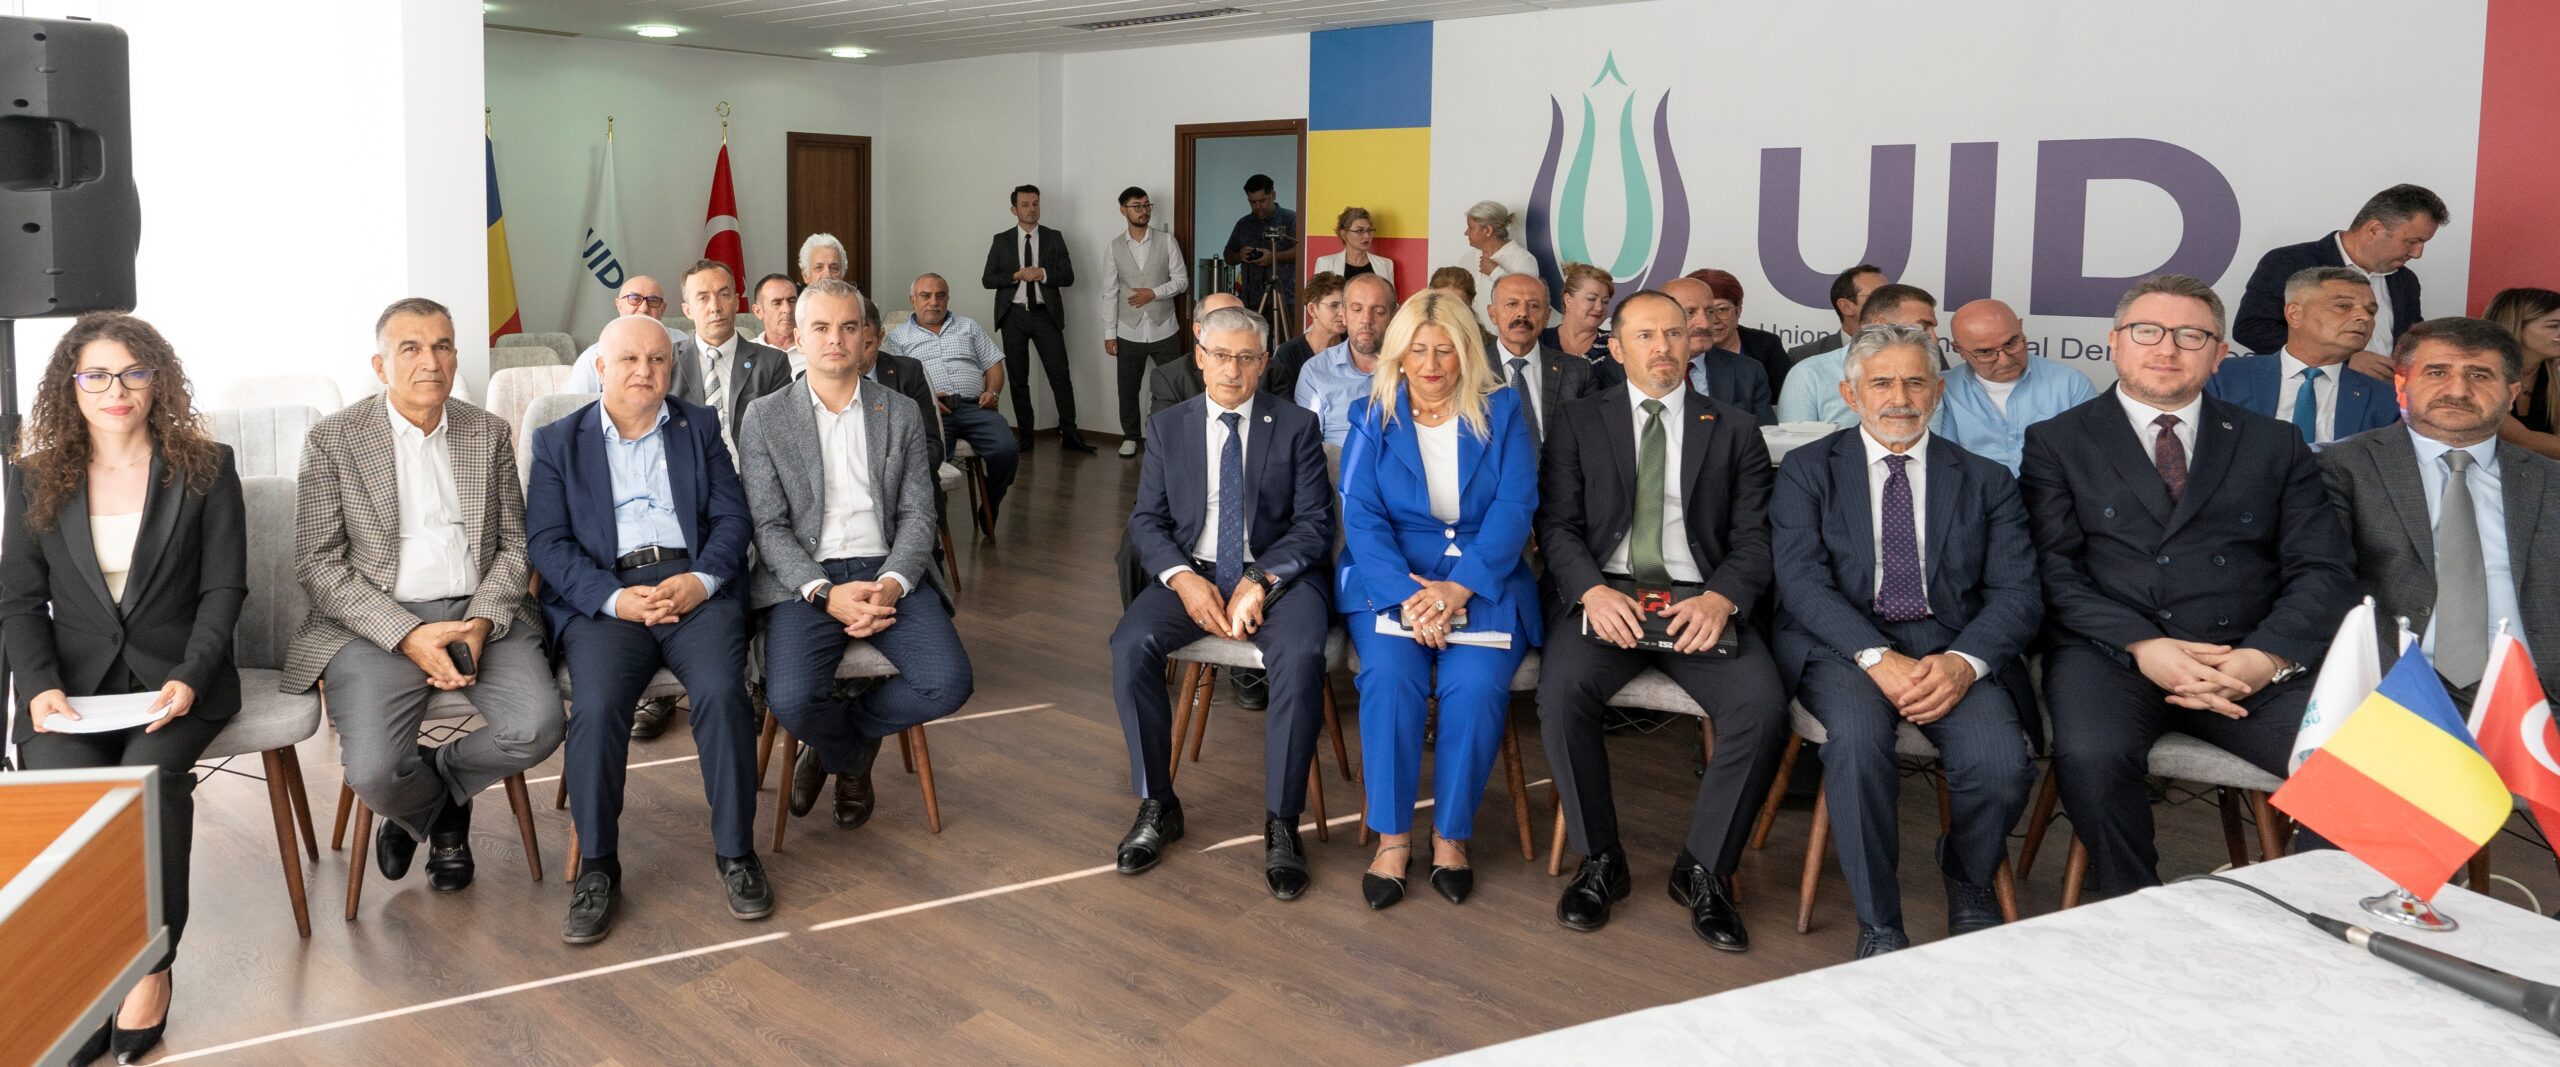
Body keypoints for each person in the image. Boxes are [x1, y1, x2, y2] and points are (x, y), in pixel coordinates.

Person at [2019, 274, 2355, 900]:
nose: (2167, 349)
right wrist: (2144, 646)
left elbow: (2323, 568)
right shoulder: (2058, 441)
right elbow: (2052, 571)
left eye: (2191, 336)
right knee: (2091, 759)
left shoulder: (2273, 442)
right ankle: (2133, 906)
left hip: (2245, 657)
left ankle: (2309, 911)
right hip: (2113, 655)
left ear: (2220, 353)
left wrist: (2266, 657)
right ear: (2115, 342)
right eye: (2147, 331)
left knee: (2357, 763)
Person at [2, 312, 243, 1063]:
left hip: (179, 679)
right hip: (71, 690)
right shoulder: (33, 477)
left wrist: (190, 675)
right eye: (97, 375)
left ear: (158, 380)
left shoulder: (205, 467)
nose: (117, 389)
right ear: (70, 386)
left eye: (134, 372)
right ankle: (90, 970)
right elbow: (18, 601)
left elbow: (223, 590)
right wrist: (39, 686)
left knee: (150, 779)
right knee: (64, 790)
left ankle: (149, 966)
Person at [1771, 324, 2040, 957]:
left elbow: (2017, 591)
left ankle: (1968, 874)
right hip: (1842, 643)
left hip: (1950, 643)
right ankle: (1880, 923)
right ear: (1851, 393)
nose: (1900, 398)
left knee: (2001, 766)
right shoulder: (1809, 469)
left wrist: (1965, 662)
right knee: (1858, 749)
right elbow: (1801, 582)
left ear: (1938, 391)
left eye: (1916, 382)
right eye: (1882, 383)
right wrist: (1874, 655)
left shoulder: (1986, 479)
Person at [288, 294, 565, 900]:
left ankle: (439, 779)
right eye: (410, 348)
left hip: (478, 613)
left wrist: (482, 622)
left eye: (442, 346)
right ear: (380, 365)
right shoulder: (334, 440)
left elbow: (515, 546)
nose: (430, 361)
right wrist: (407, 635)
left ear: (456, 356)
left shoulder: (487, 432)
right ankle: (442, 815)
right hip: (375, 624)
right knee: (375, 773)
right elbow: (318, 563)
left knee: (540, 728)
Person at [1534, 289, 1787, 949]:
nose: (1662, 347)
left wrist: (1721, 598)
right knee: (1561, 693)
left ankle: (1704, 868)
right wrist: (1591, 591)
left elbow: (1755, 538)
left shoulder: (1733, 427)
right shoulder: (1578, 421)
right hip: (1609, 594)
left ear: (1691, 343)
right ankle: (1600, 859)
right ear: (1616, 349)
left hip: (1697, 599)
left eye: (1674, 333)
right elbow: (1557, 525)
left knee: (1761, 707)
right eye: (1644, 336)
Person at [528, 315, 767, 945]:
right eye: (630, 359)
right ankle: (598, 867)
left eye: (658, 360)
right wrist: (612, 599)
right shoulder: (558, 441)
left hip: (693, 589)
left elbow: (733, 518)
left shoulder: (699, 426)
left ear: (672, 367)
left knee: (722, 692)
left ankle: (737, 853)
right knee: (599, 705)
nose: (645, 371)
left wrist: (703, 581)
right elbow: (547, 543)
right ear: (600, 368)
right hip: (608, 597)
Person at [1108, 306, 1336, 897]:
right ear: (1200, 357)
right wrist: (1183, 578)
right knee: (1130, 645)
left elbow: (1315, 524)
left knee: (1301, 656)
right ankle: (1158, 803)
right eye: (1221, 356)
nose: (1232, 370)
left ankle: (1282, 821)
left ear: (1264, 363)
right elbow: (1147, 520)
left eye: (1246, 358)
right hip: (1197, 572)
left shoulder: (1297, 424)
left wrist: (1260, 579)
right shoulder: (1170, 426)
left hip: (1279, 577)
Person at [742, 280, 973, 830]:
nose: (836, 339)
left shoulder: (900, 412)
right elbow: (768, 527)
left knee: (948, 683)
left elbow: (918, 515)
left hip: (887, 570)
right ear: (798, 337)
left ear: (866, 334)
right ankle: (850, 755)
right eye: (821, 328)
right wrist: (824, 593)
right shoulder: (765, 417)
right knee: (792, 700)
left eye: (849, 327)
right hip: (806, 580)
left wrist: (891, 583)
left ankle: (839, 739)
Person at [1337, 289, 1541, 910]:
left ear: (1466, 352)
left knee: (1475, 688)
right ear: (1399, 354)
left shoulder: (1503, 410)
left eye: (1445, 350)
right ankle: (1393, 837)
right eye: (1418, 350)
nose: (1430, 364)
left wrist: (1458, 588)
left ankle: (1451, 835)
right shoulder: (1370, 414)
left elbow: (1515, 507)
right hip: (1392, 583)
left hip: (1483, 579)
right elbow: (1361, 516)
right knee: (1390, 679)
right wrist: (1409, 596)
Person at [2321, 317, 2560, 705]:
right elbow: (2319, 584)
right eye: (2437, 372)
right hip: (2398, 690)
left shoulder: (2551, 482)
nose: (2458, 390)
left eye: (2480, 375)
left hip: (2538, 694)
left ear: (2511, 394)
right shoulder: (2339, 467)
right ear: (2401, 385)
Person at [2233, 184, 2448, 357]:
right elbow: (2252, 329)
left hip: (2384, 395)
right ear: (2374, 230)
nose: (2417, 253)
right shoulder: (2290, 262)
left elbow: (2410, 342)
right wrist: (2344, 361)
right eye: (2412, 241)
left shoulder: (2405, 280)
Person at [2205, 267, 2400, 444]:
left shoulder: (2385, 400)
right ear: (2294, 314)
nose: (2364, 317)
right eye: (2343, 306)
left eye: (2371, 311)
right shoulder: (2223, 378)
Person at [885, 273, 1017, 520]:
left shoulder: (969, 327)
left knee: (1007, 450)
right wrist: (927, 398)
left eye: (940, 296)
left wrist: (993, 391)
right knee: (931, 464)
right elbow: (895, 381)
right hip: (931, 412)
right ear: (913, 300)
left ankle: (991, 500)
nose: (933, 302)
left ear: (947, 299)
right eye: (926, 296)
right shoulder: (897, 337)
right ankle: (934, 525)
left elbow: (994, 364)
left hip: (976, 407)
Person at [981, 183, 1092, 453]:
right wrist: (1015, 276)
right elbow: (987, 279)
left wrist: (1042, 273)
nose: (1032, 209)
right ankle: (1026, 436)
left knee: (1060, 375)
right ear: (1014, 209)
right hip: (1013, 316)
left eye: (1035, 203)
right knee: (1018, 379)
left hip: (1045, 315)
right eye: (1025, 205)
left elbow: (1068, 276)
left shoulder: (1054, 237)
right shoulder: (1001, 240)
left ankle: (1070, 434)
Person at [1934, 298, 2097, 473]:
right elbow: (1946, 463)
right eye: (1986, 352)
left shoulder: (2071, 383)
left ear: (2021, 328)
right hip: (1977, 489)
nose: (2005, 361)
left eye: (2011, 343)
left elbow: (2089, 460)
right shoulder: (1944, 389)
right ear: (1960, 350)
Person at [671, 259, 793, 456]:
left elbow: (782, 435)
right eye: (703, 298)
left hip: (749, 469)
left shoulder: (771, 362)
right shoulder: (667, 361)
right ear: (687, 310)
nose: (715, 307)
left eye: (723, 295)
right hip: (689, 468)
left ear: (736, 302)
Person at [1102, 186, 1190, 457]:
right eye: (1137, 206)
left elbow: (1182, 281)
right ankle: (1130, 436)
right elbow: (1110, 292)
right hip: (1128, 329)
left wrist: (1154, 292)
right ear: (1123, 210)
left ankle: (1168, 436)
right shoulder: (1114, 247)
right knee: (1128, 388)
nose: (1143, 211)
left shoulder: (1167, 241)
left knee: (1172, 383)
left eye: (1146, 205)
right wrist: (1109, 332)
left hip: (1165, 327)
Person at [1781, 283, 1940, 429]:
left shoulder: (1928, 377)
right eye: (1922, 327)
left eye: (1914, 383)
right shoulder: (1809, 374)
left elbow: (1931, 443)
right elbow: (1794, 446)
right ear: (1879, 326)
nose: (1934, 338)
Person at [1486, 272, 1596, 446]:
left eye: (1533, 306)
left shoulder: (1578, 372)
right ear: (1493, 313)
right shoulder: (1469, 368)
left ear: (1546, 316)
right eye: (1512, 304)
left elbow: (1591, 440)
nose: (1522, 313)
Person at [1295, 273, 1398, 447]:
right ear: (1343, 313)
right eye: (1356, 309)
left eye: (1379, 311)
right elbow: (1306, 446)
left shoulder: (1411, 367)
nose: (1366, 320)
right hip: (1335, 463)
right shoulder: (1315, 370)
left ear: (1394, 315)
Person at [1663, 276, 1773, 425]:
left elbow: (1765, 434)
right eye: (1690, 312)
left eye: (1710, 312)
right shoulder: (1632, 371)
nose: (1705, 324)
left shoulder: (1748, 372)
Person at [567, 275, 689, 391]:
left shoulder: (682, 343)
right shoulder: (593, 357)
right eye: (635, 299)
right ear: (619, 305)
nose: (644, 308)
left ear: (663, 309)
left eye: (653, 300)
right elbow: (579, 404)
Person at [1685, 268, 1793, 397]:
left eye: (1722, 309)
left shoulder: (1766, 345)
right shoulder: (1679, 349)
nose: (1714, 320)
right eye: (1708, 311)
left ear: (1738, 312)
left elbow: (1784, 400)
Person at [2486, 287, 2560, 458]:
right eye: (2554, 326)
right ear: (2517, 327)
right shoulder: (2479, 378)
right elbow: (2523, 441)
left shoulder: (2553, 378)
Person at [1223, 173, 1299, 336]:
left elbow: (1303, 252)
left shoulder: (1292, 220)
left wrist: (1273, 257)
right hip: (1253, 300)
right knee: (1254, 344)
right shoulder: (1244, 224)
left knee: (1288, 345)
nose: (1258, 206)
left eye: (1262, 201)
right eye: (1253, 202)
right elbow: (1228, 255)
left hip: (1286, 298)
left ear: (1273, 195)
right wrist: (1240, 255)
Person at [1149, 292, 1244, 413]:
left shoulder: (1265, 371)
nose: (1235, 330)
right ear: (1199, 331)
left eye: (1242, 322)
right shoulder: (1170, 378)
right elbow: (1163, 424)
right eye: (1222, 322)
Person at [1269, 271, 1346, 405]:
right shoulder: (1288, 353)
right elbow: (1282, 405)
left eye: (1346, 305)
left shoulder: (1355, 347)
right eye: (1334, 305)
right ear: (1312, 309)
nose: (1342, 312)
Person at [1786, 264, 1889, 362]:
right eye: (1878, 296)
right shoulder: (1804, 356)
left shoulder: (1898, 348)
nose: (1890, 303)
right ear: (1846, 307)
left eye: (1893, 296)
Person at [1459, 200, 1537, 331]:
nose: (1466, 233)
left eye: (1470, 227)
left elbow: (1528, 303)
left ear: (1488, 230)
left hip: (1504, 340)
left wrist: (1496, 273)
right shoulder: (1467, 258)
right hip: (1470, 337)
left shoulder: (1523, 259)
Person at [1312, 206, 1396, 296]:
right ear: (1343, 234)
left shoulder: (1385, 264)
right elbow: (1317, 300)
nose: (1367, 236)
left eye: (1369, 230)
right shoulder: (1326, 263)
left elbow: (1391, 300)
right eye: (1359, 230)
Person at [749, 273, 802, 372]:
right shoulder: (745, 354)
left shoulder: (816, 347)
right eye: (777, 303)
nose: (787, 309)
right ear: (758, 311)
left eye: (792, 300)